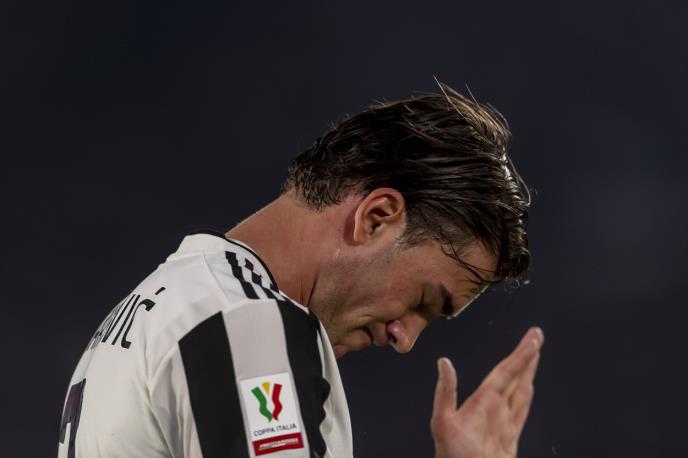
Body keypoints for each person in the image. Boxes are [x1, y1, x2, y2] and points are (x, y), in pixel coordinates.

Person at [58, 82, 544, 458]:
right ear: (376, 218)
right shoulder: (247, 324)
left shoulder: (165, 303)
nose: (405, 339)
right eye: (424, 301)